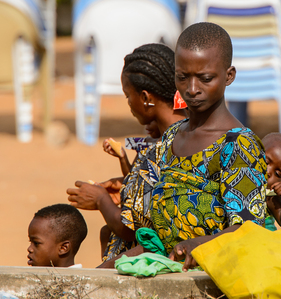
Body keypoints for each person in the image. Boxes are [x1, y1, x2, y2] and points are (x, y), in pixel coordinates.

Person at [96, 22, 268, 270]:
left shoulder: (238, 145)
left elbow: (249, 229)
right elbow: (149, 228)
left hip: (210, 276)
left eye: (205, 78)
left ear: (229, 76)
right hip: (161, 266)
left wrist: (202, 244)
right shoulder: (172, 137)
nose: (192, 89)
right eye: (182, 77)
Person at [67, 43, 187, 262]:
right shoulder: (194, 133)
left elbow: (129, 229)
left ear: (145, 97)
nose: (129, 104)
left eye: (127, 96)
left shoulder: (158, 150)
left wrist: (100, 199)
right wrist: (127, 184)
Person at [27, 203, 87, 268]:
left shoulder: (85, 277)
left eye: (36, 243)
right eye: (30, 242)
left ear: (63, 248)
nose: (29, 249)